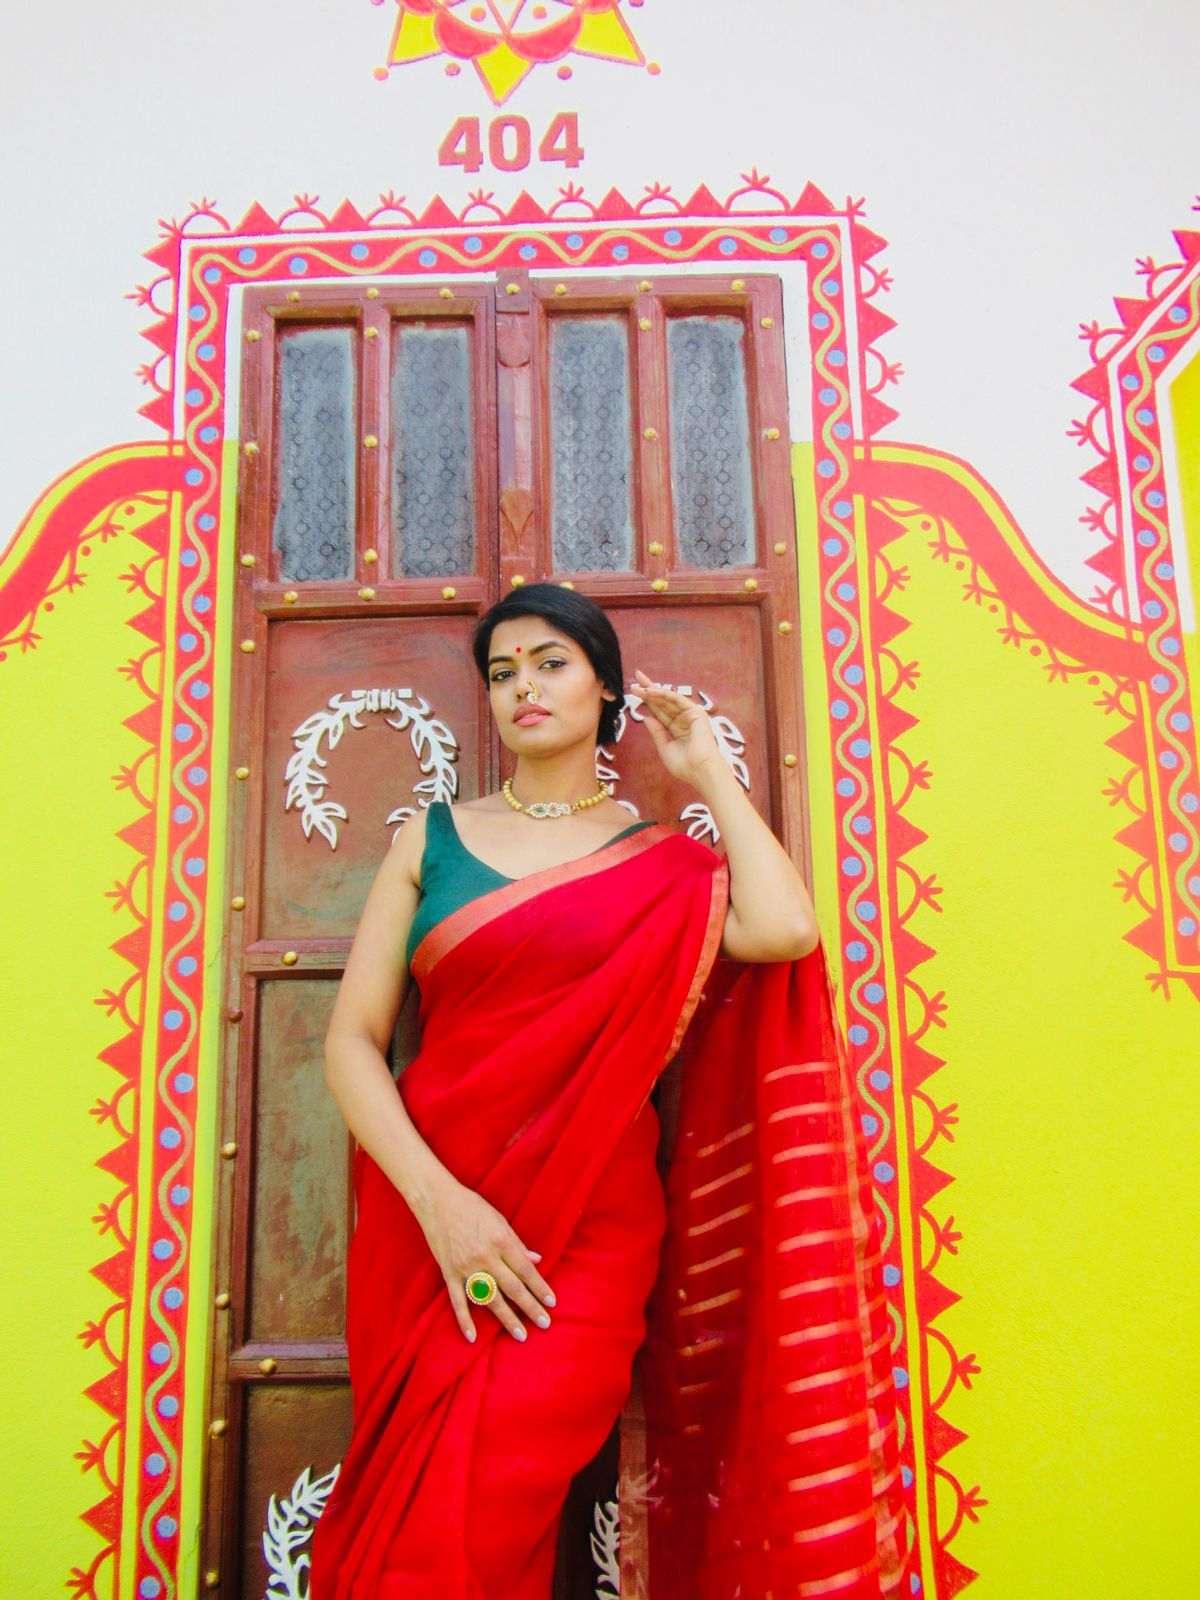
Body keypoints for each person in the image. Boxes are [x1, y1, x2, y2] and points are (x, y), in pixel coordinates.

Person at [308, 584, 906, 1599]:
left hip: (582, 1234)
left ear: (605, 685)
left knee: (496, 1500)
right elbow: (352, 1043)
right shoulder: (433, 839)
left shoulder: (666, 866)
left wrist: (709, 773)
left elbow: (786, 931)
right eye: (502, 672)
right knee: (415, 1507)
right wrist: (444, 1207)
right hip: (427, 1219)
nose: (522, 688)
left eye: (550, 662)